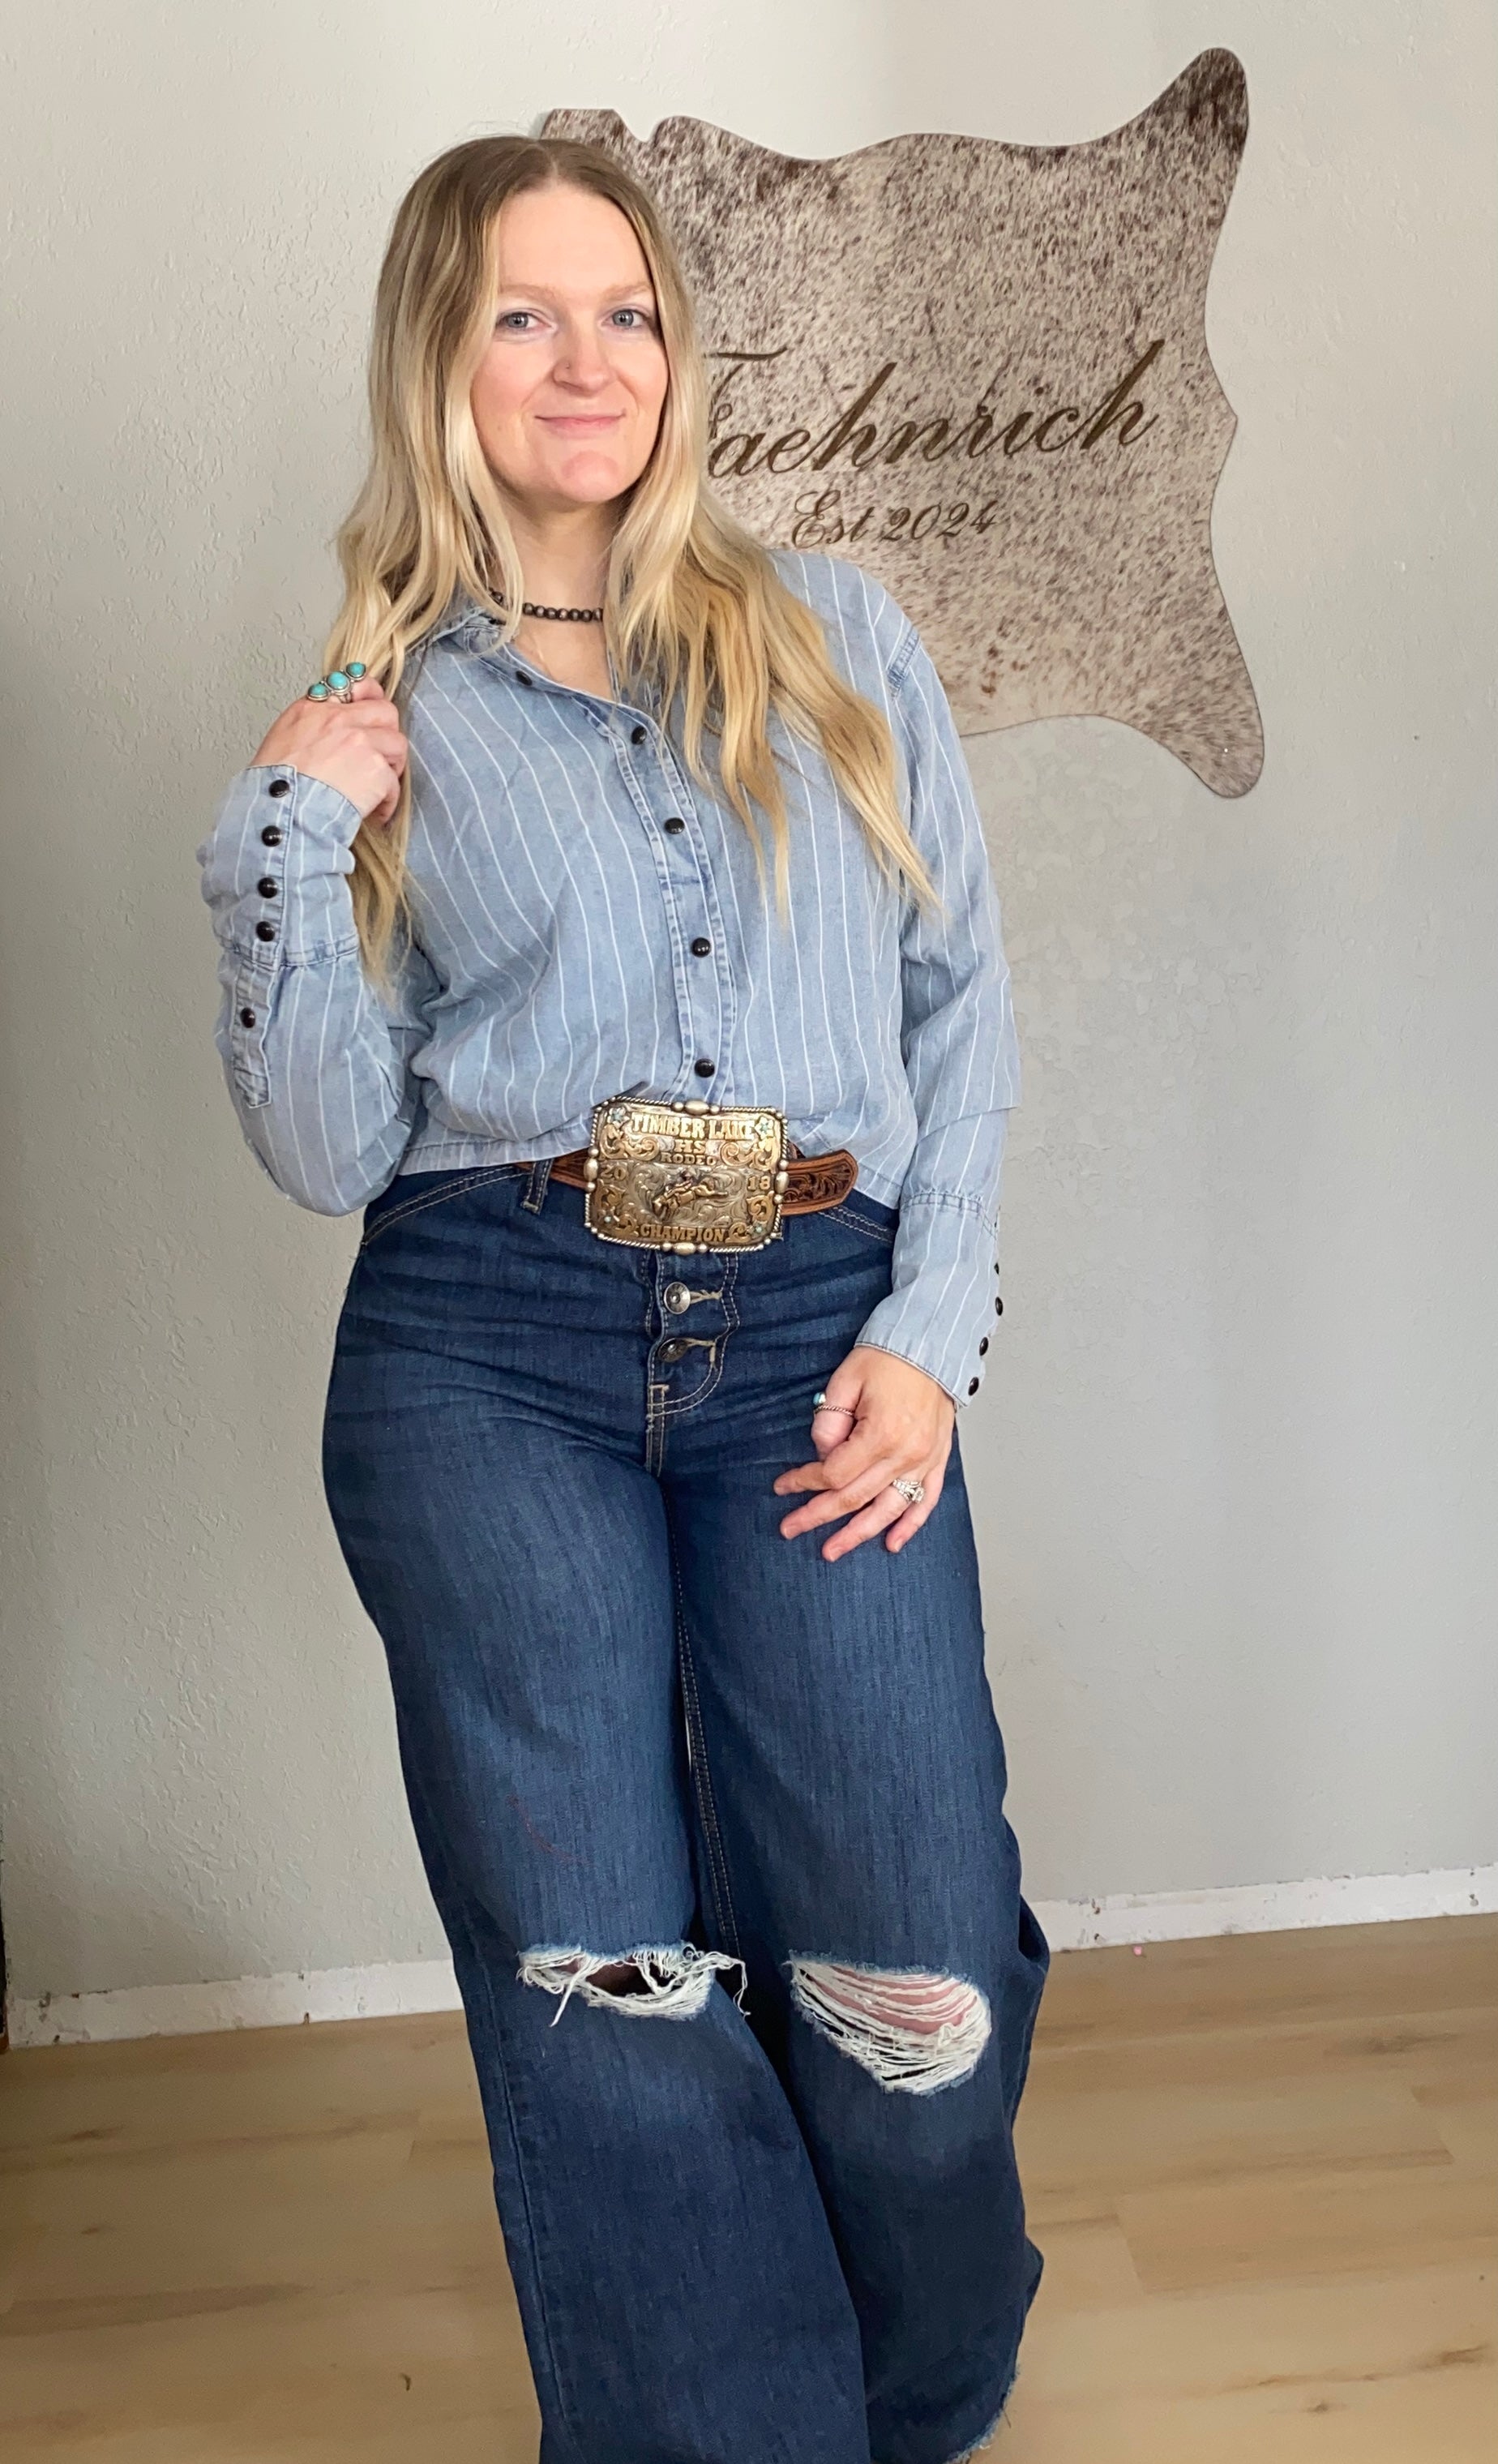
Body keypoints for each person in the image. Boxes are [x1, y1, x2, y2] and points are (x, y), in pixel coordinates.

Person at [197, 132, 1047, 2464]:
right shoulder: (377, 714)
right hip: (491, 1353)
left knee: (911, 1965)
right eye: (523, 314)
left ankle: (911, 2394)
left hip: (822, 1334)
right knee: (610, 1982)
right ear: (436, 359)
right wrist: (284, 829)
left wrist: (929, 1333)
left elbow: (963, 1003)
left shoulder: (838, 632)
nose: (589, 364)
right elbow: (328, 1151)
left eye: (630, 311)